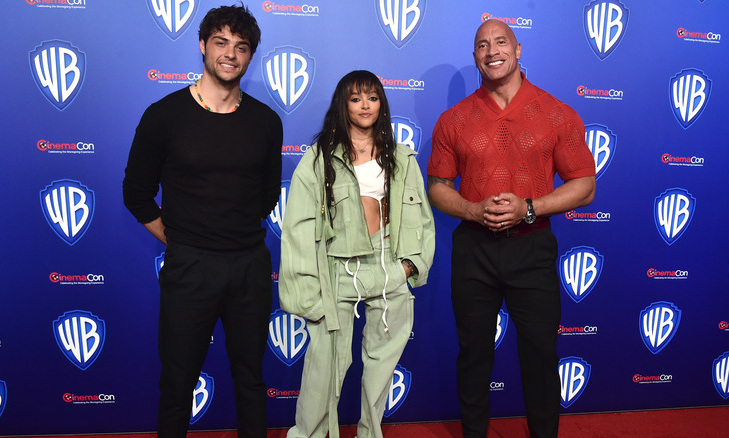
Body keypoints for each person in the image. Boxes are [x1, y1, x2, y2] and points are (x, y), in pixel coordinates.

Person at [427, 19, 596, 438]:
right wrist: (471, 210)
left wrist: (530, 208)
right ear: (474, 58)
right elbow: (437, 187)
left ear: (518, 49)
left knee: (540, 355)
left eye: (500, 41)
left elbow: (585, 185)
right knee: (473, 356)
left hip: (532, 248)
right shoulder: (453, 119)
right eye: (482, 45)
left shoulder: (557, 112)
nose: (492, 51)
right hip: (474, 250)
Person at [122, 5, 282, 438]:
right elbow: (135, 193)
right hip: (189, 268)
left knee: (251, 381)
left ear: (250, 57)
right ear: (202, 45)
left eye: (241, 47)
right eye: (221, 42)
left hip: (249, 268)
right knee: (177, 384)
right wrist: (180, 240)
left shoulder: (267, 122)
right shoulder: (164, 115)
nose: (231, 54)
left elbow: (268, 193)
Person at [279, 70, 435, 438]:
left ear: (381, 103)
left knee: (382, 366)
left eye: (373, 97)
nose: (365, 105)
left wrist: (412, 264)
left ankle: (370, 433)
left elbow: (422, 218)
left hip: (388, 266)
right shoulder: (319, 159)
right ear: (343, 105)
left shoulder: (401, 157)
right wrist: (306, 291)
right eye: (355, 98)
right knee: (323, 370)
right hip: (337, 269)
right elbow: (298, 228)